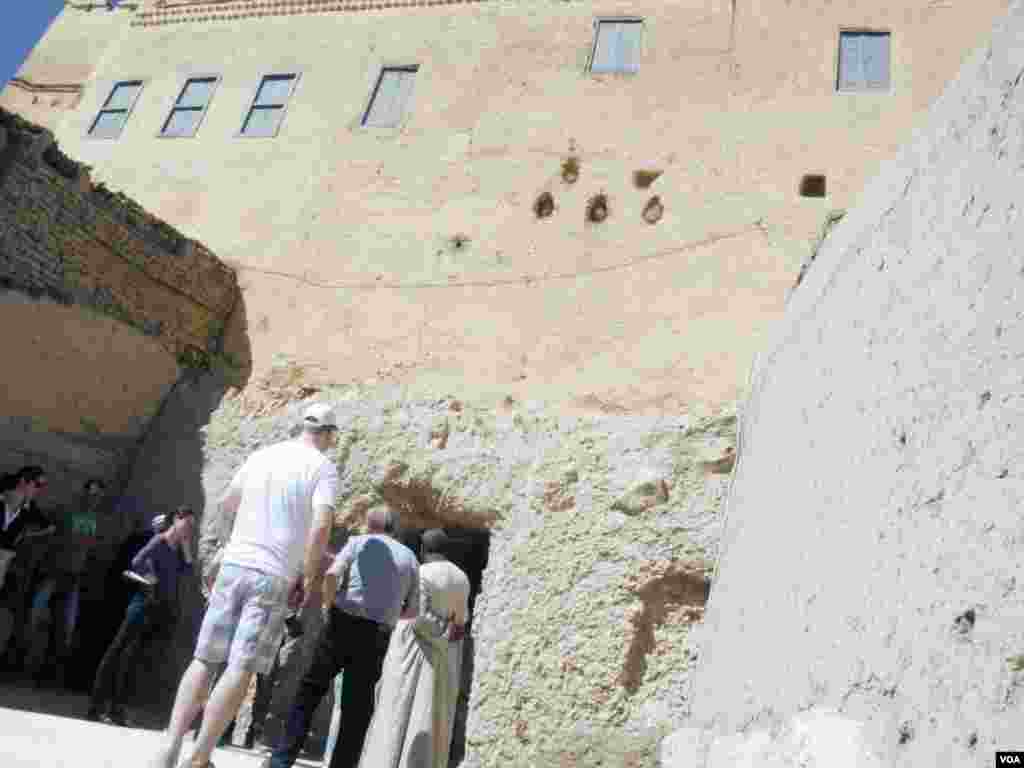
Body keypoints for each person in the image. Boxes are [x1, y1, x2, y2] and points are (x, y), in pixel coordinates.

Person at [150, 403, 340, 768]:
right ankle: (201, 755)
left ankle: (169, 746)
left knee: (204, 658)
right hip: (273, 575)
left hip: (235, 565)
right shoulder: (323, 469)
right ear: (329, 435)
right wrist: (310, 578)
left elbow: (227, 504)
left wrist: (220, 551)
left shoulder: (262, 456)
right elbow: (320, 528)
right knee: (240, 666)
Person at [267, 505, 419, 768]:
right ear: (392, 528)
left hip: (341, 624)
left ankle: (281, 760)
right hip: (377, 635)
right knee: (357, 710)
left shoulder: (357, 543)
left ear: (369, 525)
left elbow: (332, 574)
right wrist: (391, 611)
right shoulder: (409, 557)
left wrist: (328, 605)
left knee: (310, 691)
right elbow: (413, 610)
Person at [357, 529, 470, 768]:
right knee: (428, 715)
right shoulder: (462, 578)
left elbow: (418, 617)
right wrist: (448, 632)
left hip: (411, 652)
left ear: (422, 550)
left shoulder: (420, 573)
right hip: (443, 657)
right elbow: (460, 624)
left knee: (398, 709)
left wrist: (440, 630)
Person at [87, 507, 195, 725]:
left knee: (130, 658)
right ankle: (95, 707)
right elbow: (136, 561)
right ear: (176, 519)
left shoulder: (177, 549)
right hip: (141, 603)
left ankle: (117, 710)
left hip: (156, 608)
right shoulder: (159, 541)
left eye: (193, 525)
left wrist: (186, 546)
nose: (190, 528)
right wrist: (150, 576)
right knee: (116, 652)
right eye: (187, 523)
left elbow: (188, 571)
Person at [25, 477, 107, 685]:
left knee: (65, 628)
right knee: (34, 619)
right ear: (84, 493)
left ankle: (49, 675)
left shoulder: (95, 520)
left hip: (73, 577)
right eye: (91, 493)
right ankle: (24, 667)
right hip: (53, 572)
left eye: (98, 495)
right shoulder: (66, 511)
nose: (94, 498)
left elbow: (88, 549)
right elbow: (46, 530)